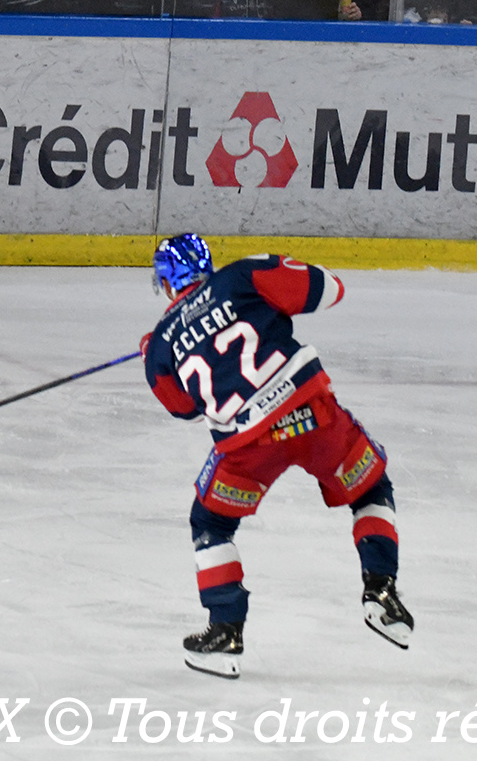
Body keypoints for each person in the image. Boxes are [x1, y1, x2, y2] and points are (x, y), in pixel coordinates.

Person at [142, 234, 410, 678]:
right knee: (371, 488)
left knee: (210, 524)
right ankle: (381, 592)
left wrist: (153, 351)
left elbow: (182, 408)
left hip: (247, 446)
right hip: (313, 417)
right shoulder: (241, 277)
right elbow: (329, 289)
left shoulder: (160, 346)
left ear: (167, 282)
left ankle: (225, 630)